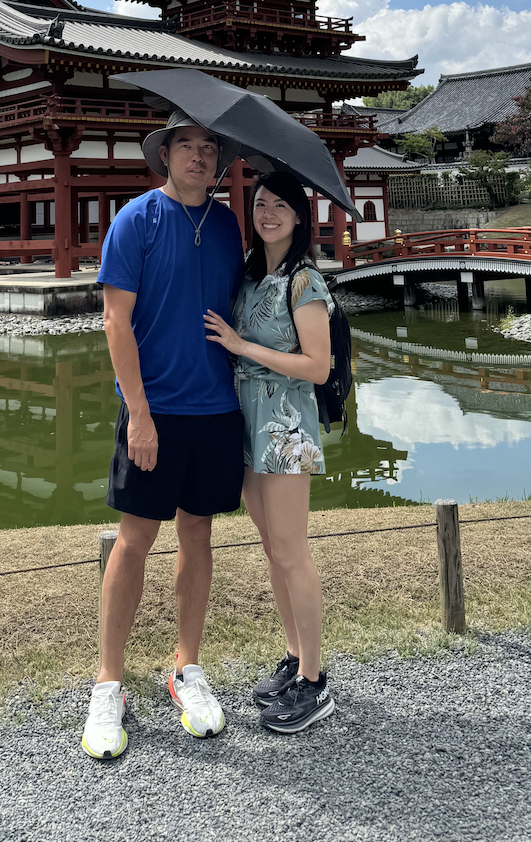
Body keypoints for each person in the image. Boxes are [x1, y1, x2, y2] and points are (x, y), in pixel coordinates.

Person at [81, 110, 246, 761]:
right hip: (155, 411)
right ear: (166, 154)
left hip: (215, 408)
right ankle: (109, 681)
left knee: (198, 530)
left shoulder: (230, 224)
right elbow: (115, 323)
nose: (199, 157)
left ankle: (186, 667)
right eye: (188, 146)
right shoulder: (137, 220)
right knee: (135, 538)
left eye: (210, 149)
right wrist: (140, 414)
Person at [203, 170, 336, 734]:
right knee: (272, 548)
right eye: (261, 203)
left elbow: (317, 366)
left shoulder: (304, 280)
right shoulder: (254, 274)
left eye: (282, 205)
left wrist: (241, 345)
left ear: (301, 217)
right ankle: (293, 655)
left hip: (285, 425)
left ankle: (315, 680)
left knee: (291, 550)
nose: (270, 212)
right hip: (249, 421)